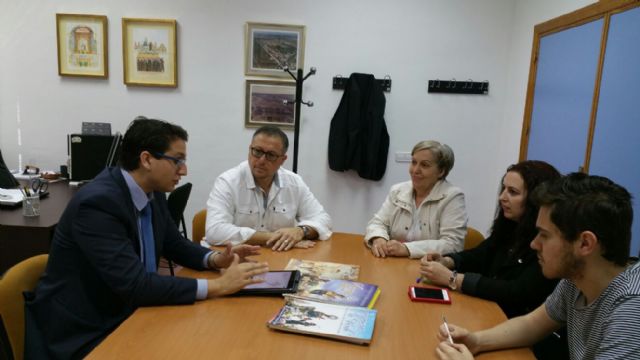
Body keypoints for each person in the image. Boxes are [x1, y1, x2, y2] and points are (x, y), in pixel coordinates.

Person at [24, 117, 269, 359]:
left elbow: (174, 244)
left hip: (129, 311)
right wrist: (218, 286)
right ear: (146, 159)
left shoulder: (152, 191)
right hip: (85, 330)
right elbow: (136, 285)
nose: (184, 170)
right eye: (177, 161)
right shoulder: (98, 204)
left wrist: (217, 259)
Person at [434, 173, 640, 360]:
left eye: (544, 235)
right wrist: (477, 340)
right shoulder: (576, 280)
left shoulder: (631, 310)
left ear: (585, 243)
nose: (534, 244)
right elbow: (532, 325)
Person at [419, 161, 561, 319]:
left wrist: (452, 279)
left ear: (535, 200)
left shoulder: (546, 244)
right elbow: (481, 254)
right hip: (488, 311)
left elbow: (517, 292)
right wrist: (448, 261)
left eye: (512, 192)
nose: (502, 197)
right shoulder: (510, 226)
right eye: (504, 189)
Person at [205, 125, 332, 251]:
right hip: (234, 258)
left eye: (271, 155)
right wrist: (275, 237)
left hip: (278, 257)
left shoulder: (294, 183)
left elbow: (323, 219)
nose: (261, 160)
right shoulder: (227, 182)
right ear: (250, 149)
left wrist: (301, 231)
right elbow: (215, 230)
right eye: (257, 151)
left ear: (283, 160)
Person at [364, 140, 467, 259]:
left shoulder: (452, 197)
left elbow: (453, 244)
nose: (415, 170)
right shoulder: (397, 190)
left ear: (441, 171)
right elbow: (377, 222)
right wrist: (378, 238)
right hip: (392, 264)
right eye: (413, 162)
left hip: (430, 269)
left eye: (425, 165)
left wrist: (407, 249)